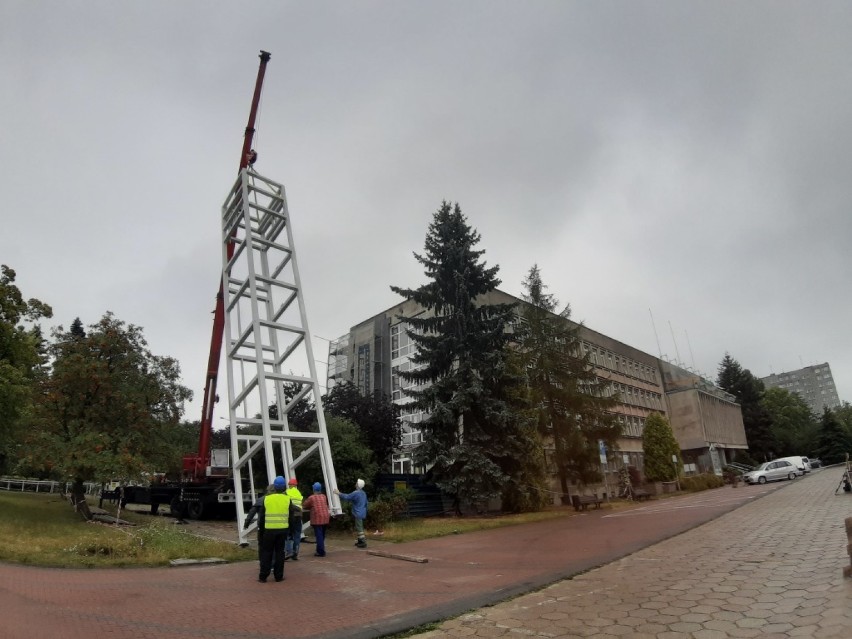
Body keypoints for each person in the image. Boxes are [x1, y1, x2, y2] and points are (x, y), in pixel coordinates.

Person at [257, 475, 290, 583]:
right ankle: (278, 576)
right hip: (282, 530)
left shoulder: (267, 499)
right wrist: (290, 531)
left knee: (267, 552)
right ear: (284, 487)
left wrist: (261, 531)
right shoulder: (287, 499)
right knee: (280, 553)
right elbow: (292, 516)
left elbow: (261, 517)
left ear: (274, 487)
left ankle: (263, 576)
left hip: (269, 530)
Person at [334, 478, 368, 548]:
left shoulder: (356, 493)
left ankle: (363, 542)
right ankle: (360, 541)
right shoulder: (363, 493)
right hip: (362, 512)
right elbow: (366, 503)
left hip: (358, 513)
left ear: (358, 485)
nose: (355, 484)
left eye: (356, 483)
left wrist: (338, 493)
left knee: (359, 528)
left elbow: (347, 497)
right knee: (359, 527)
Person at [243, 485, 272, 561]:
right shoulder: (280, 500)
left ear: (267, 491)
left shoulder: (260, 500)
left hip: (262, 526)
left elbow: (251, 513)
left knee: (261, 545)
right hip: (276, 527)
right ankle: (272, 563)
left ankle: (262, 561)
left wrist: (246, 523)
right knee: (273, 546)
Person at [302, 482, 330, 557]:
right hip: (325, 517)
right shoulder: (323, 496)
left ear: (314, 489)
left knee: (319, 536)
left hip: (317, 519)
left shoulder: (312, 498)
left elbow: (305, 505)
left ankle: (321, 552)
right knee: (322, 535)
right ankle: (319, 550)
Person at [285, 478, 304, 560]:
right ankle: (295, 553)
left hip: (290, 515)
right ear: (296, 485)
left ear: (290, 485)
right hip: (299, 515)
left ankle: (288, 552)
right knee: (297, 534)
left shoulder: (287, 492)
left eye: (289, 484)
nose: (289, 485)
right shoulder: (299, 493)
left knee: (288, 534)